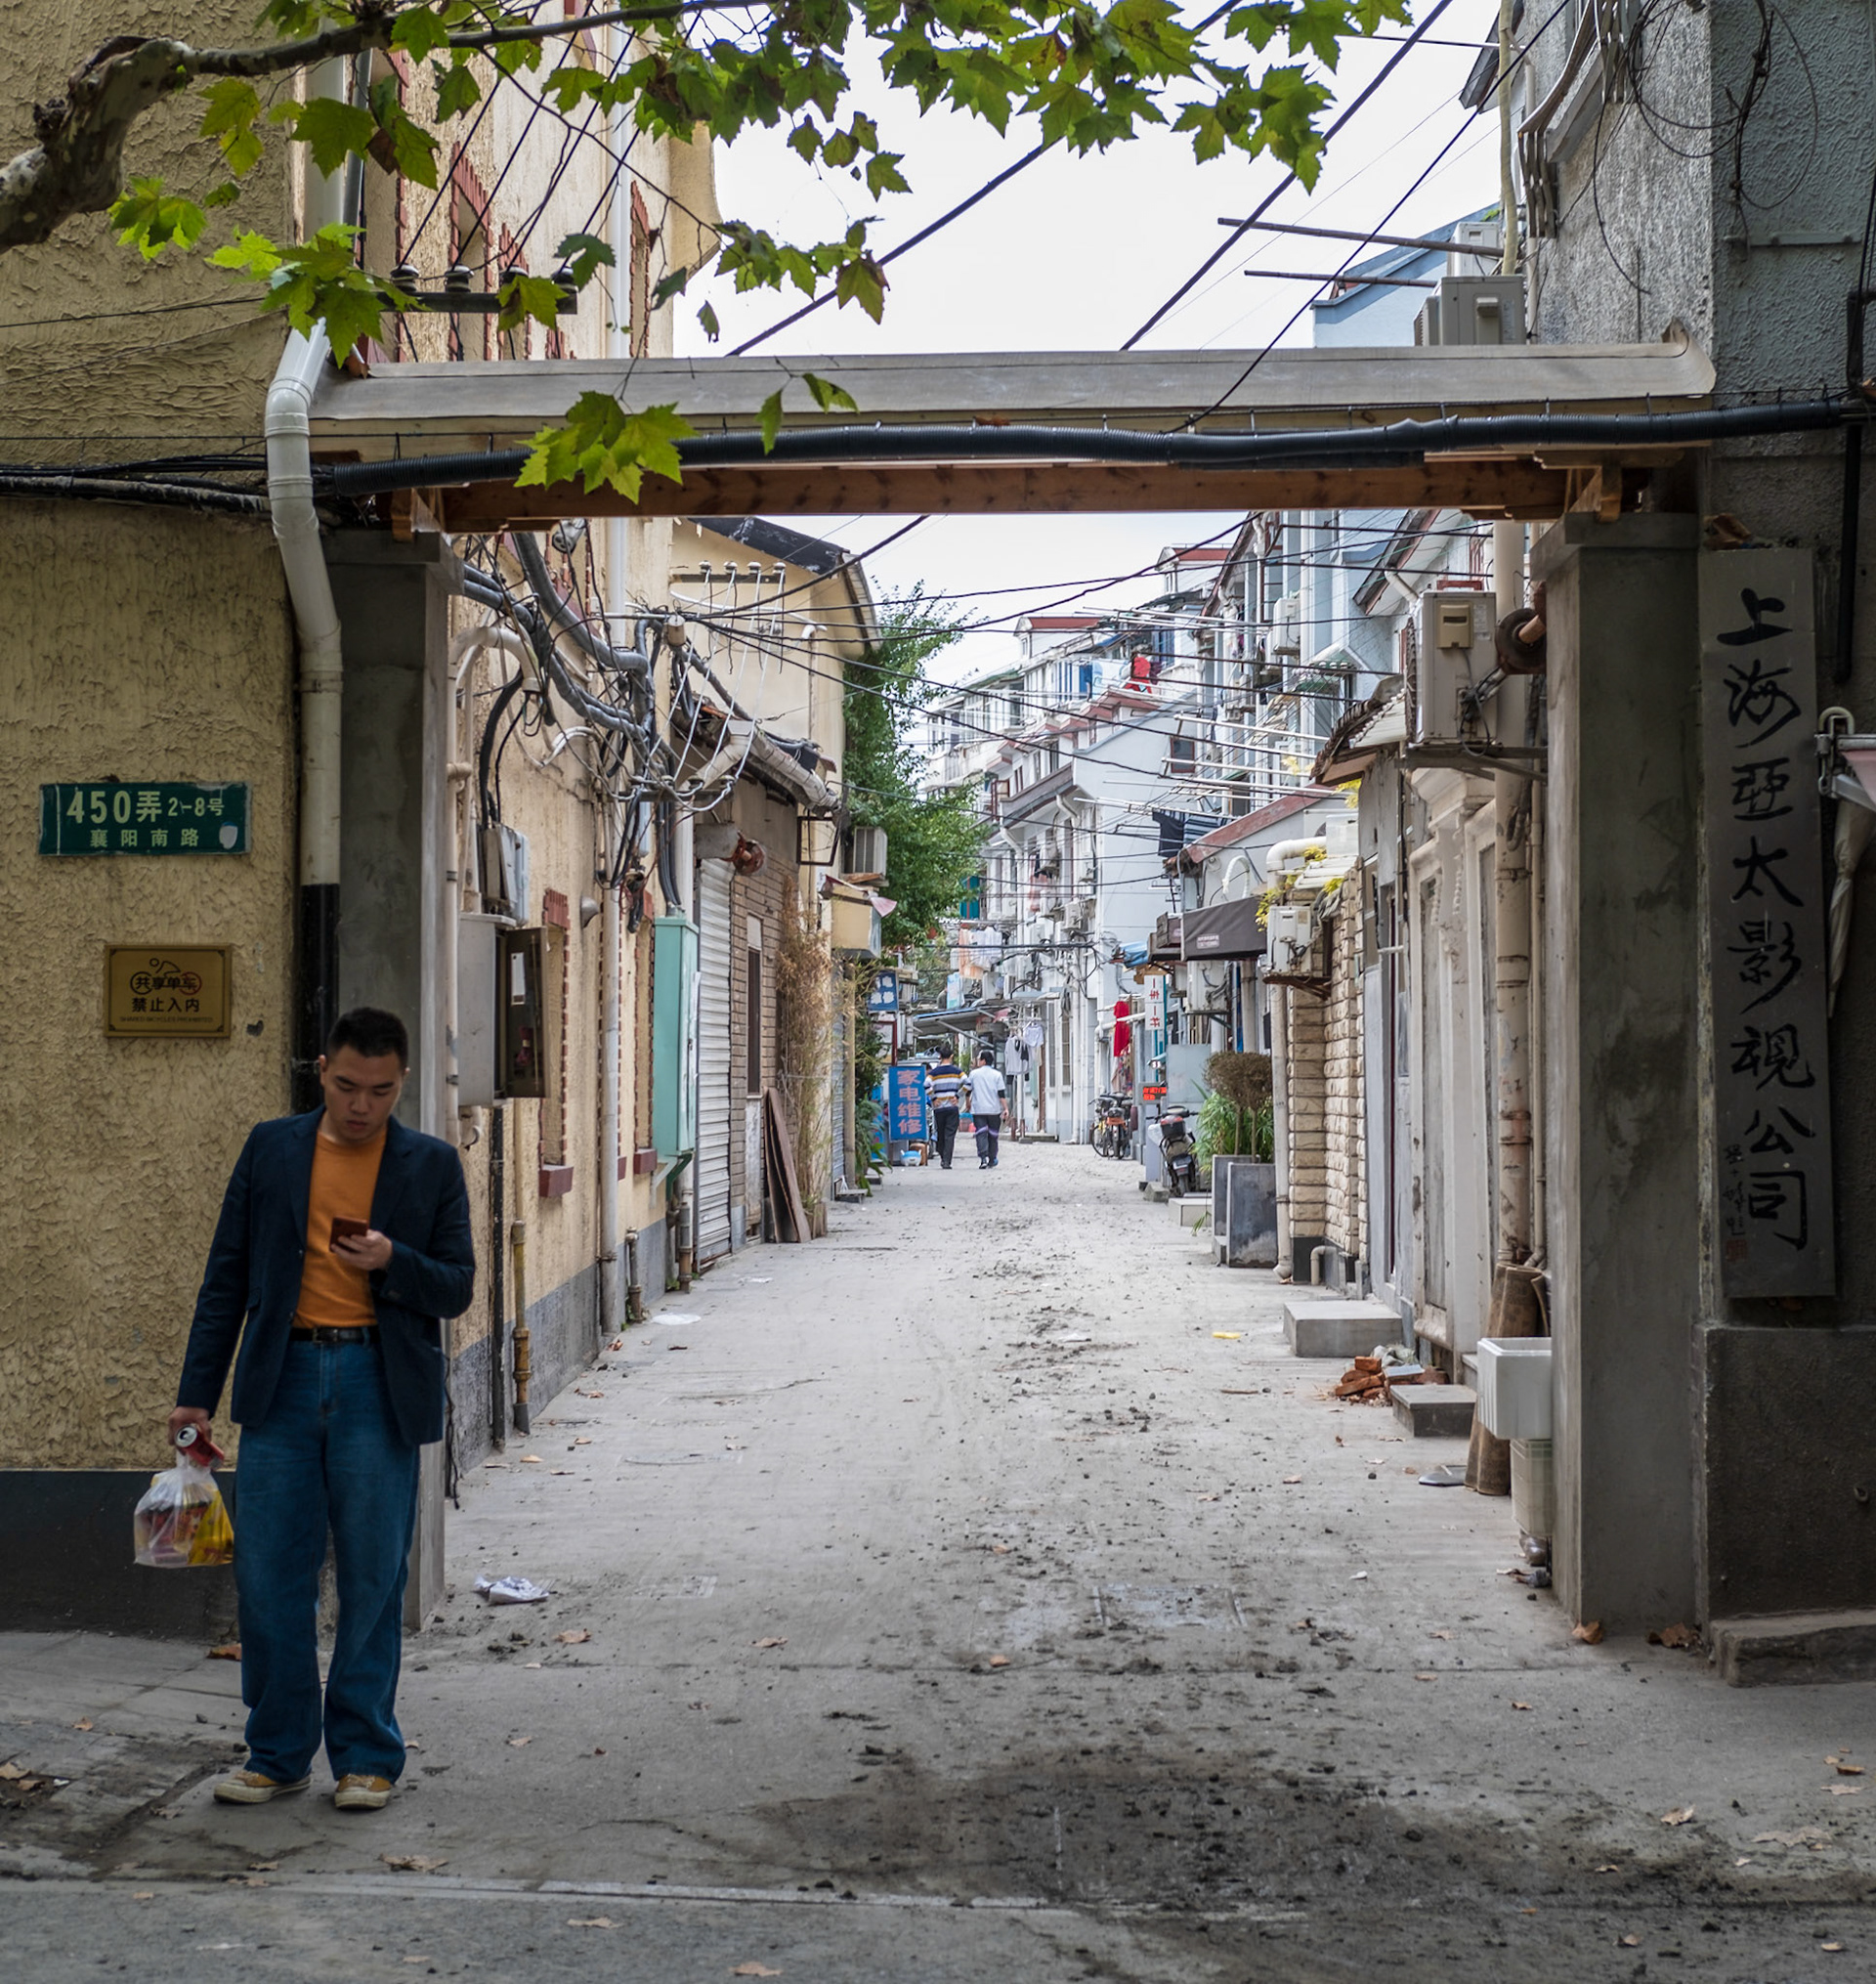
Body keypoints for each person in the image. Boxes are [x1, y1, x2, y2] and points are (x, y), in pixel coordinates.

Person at [171, 1008, 475, 1814]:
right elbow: (225, 1277)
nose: (360, 1105)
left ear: (401, 1082)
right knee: (270, 1575)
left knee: (374, 1576)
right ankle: (275, 1753)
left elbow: (456, 1284)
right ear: (322, 1071)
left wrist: (391, 1260)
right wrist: (196, 1392)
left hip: (379, 1381)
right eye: (346, 1086)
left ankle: (367, 1756)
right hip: (284, 1377)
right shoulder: (273, 1149)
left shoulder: (430, 1165)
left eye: (378, 1090)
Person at [966, 1047, 1007, 1169]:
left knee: (981, 1133)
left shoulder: (974, 1074)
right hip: (994, 1110)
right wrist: (1005, 1109)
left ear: (983, 1061)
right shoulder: (997, 1075)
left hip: (978, 1109)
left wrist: (968, 1102)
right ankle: (992, 1158)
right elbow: (1001, 1094)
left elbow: (968, 1090)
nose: (978, 1062)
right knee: (993, 1135)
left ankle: (983, 1158)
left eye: (979, 1059)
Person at [928, 1053, 964, 1168]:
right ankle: (946, 1160)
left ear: (940, 1057)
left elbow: (925, 1084)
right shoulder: (957, 1071)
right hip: (952, 1107)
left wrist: (933, 1097)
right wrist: (958, 1096)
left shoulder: (934, 1073)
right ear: (951, 1056)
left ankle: (942, 1154)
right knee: (950, 1134)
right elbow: (968, 1083)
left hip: (939, 1108)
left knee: (941, 1132)